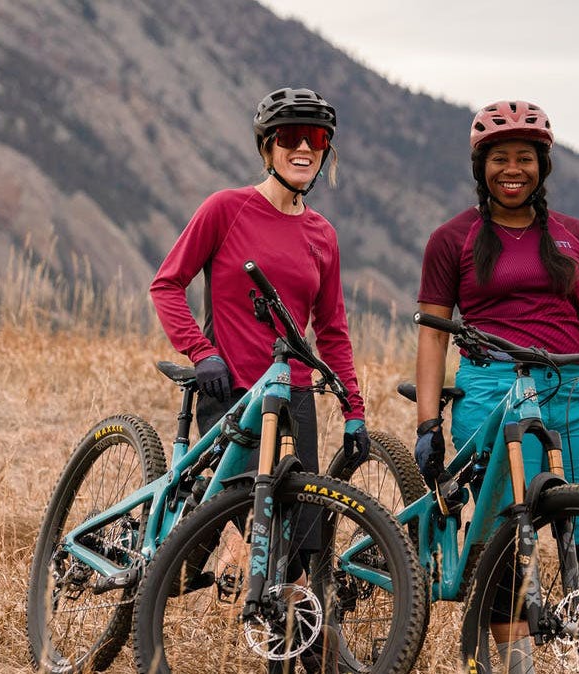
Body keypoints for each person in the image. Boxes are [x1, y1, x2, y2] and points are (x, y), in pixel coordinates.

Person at [413, 100, 579, 674]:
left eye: (525, 157)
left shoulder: (574, 235)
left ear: (543, 165)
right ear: (481, 167)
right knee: (508, 542)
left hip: (569, 391)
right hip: (492, 391)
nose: (512, 169)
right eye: (499, 158)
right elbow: (433, 337)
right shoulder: (452, 239)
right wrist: (427, 423)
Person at [149, 86, 369, 673]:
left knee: (298, 549)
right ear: (267, 147)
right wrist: (201, 352)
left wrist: (353, 409)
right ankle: (174, 570)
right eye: (290, 137)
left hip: (294, 396)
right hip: (231, 394)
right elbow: (166, 285)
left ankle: (293, 653)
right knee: (206, 537)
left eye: (315, 139)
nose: (303, 148)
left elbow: (333, 330)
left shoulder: (323, 234)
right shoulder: (226, 209)